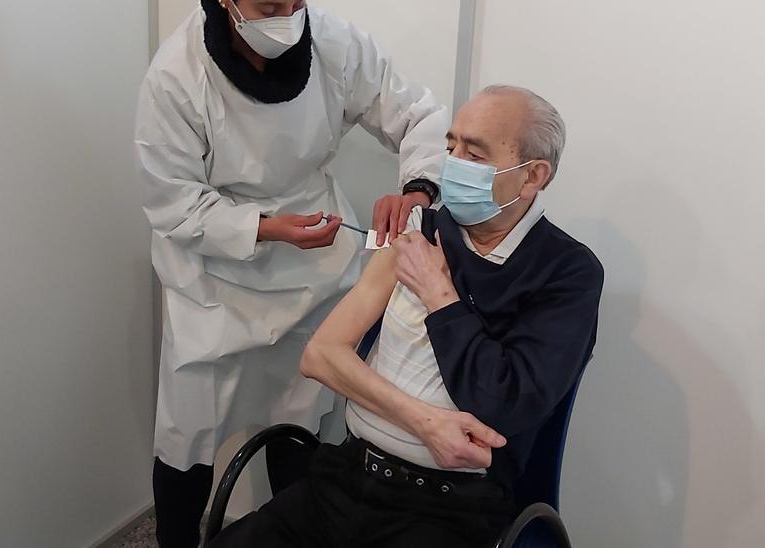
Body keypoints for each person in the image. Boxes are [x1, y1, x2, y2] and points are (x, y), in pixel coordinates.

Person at [205, 85, 605, 548]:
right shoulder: (422, 228)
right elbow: (322, 355)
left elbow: (501, 401)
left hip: (448, 510)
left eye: (473, 154)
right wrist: (425, 422)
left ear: (533, 176)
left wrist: (439, 293)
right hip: (346, 476)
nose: (451, 163)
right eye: (450, 145)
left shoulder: (566, 272)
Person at [133, 1, 449, 545]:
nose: (287, 13)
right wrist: (267, 228)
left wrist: (418, 189)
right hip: (213, 285)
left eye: (295, 0)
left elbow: (417, 113)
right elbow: (174, 204)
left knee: (300, 426)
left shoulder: (335, 44)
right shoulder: (176, 75)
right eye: (270, 4)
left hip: (313, 275)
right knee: (187, 439)